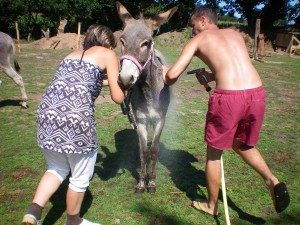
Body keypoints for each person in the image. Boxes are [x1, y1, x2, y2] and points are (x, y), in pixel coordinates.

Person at [163, 7, 290, 216]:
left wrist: (164, 76)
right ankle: (272, 181)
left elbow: (172, 75)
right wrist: (212, 76)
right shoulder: (235, 34)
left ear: (203, 21)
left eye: (193, 27)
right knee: (242, 144)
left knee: (214, 153)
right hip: (256, 93)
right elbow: (232, 66)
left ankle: (211, 205)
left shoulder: (197, 40)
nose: (193, 33)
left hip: (229, 99)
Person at [22, 24, 125, 225]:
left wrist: (105, 80)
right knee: (79, 177)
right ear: (107, 43)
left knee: (56, 168)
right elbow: (118, 97)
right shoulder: (107, 54)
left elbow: (79, 81)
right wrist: (121, 83)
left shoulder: (71, 54)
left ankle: (33, 213)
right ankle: (73, 221)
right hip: (75, 119)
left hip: (47, 114)